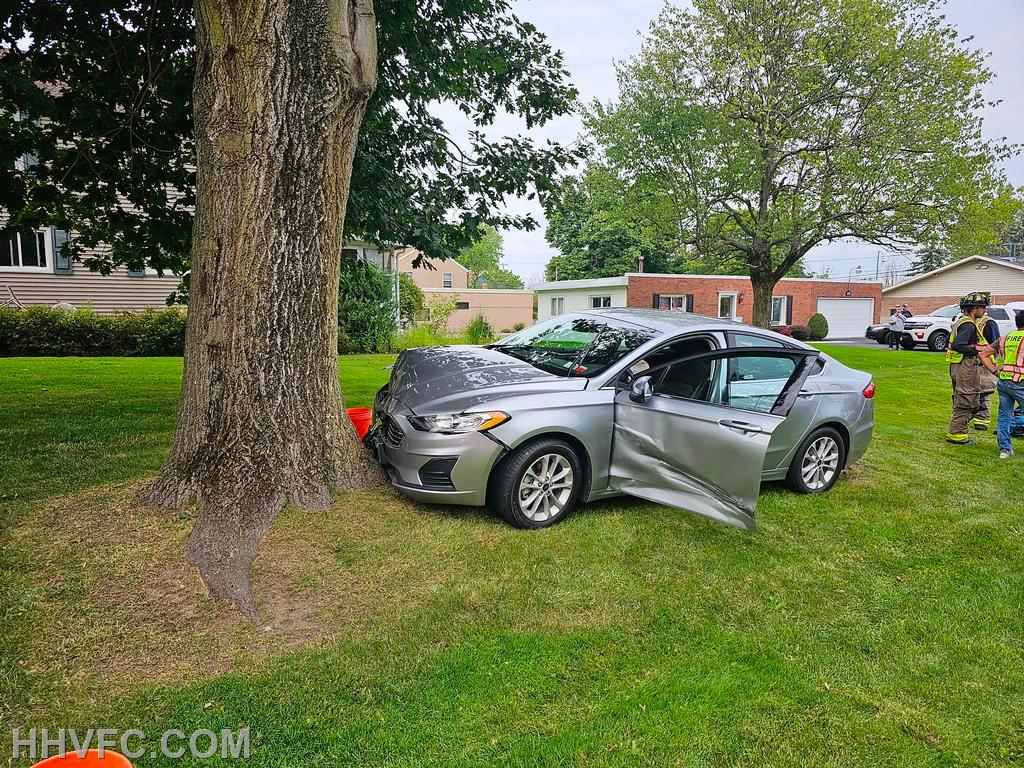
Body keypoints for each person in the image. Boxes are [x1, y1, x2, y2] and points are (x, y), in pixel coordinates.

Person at [945, 292, 990, 445]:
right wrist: (976, 352)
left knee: (966, 398)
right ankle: (957, 434)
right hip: (965, 365)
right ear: (974, 309)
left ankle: (957, 429)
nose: (984, 311)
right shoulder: (969, 325)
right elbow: (958, 345)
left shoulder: (961, 322)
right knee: (967, 399)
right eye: (982, 308)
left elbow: (949, 340)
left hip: (958, 365)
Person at [978, 309, 1024, 459]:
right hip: (1021, 383)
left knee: (1004, 416)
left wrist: (994, 371)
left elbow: (983, 354)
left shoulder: (1005, 338)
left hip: (1004, 381)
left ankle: (1005, 450)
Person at [972, 302, 1001, 431]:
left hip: (985, 363)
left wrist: (992, 362)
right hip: (972, 362)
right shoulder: (969, 322)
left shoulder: (989, 323)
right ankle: (974, 417)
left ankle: (982, 421)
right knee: (971, 391)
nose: (984, 310)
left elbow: (995, 345)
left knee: (984, 391)